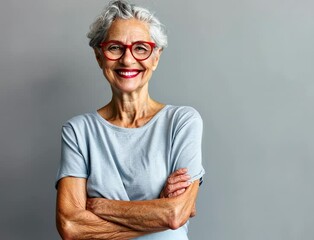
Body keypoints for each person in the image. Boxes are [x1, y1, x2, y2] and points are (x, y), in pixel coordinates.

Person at [55, 1, 205, 239]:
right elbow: (71, 227)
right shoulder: (78, 131)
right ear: (99, 56)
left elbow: (175, 214)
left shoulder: (182, 122)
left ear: (155, 57)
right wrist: (156, 212)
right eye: (115, 47)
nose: (127, 60)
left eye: (141, 48)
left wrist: (101, 206)